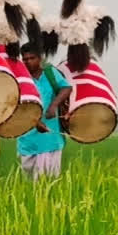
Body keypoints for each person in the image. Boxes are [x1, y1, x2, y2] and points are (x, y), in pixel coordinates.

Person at [16, 43, 72, 179]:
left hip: (50, 139)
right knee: (29, 185)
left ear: (40, 58)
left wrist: (54, 105)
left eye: (32, 58)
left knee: (47, 183)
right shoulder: (20, 79)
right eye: (25, 58)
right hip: (27, 140)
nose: (28, 61)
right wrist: (34, 122)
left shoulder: (50, 73)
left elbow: (66, 88)